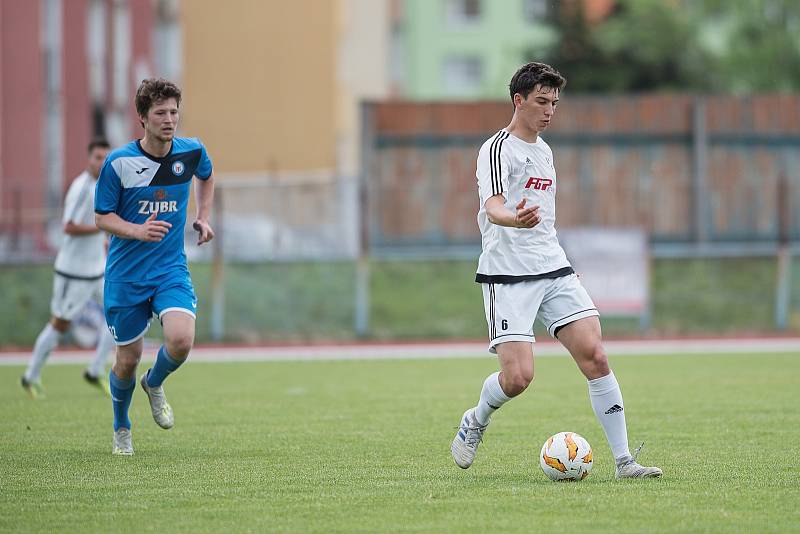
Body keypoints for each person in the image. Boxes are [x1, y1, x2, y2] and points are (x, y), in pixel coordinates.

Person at [450, 62, 662, 479]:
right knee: (518, 377)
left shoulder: (545, 151)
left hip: (553, 268)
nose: (550, 111)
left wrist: (563, 267)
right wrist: (515, 219)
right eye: (542, 102)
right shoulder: (497, 149)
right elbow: (493, 207)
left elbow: (545, 221)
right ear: (519, 100)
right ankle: (475, 419)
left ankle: (623, 462)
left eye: (555, 104)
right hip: (507, 275)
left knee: (596, 356)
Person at [94, 78, 215, 455]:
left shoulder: (191, 152)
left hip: (169, 270)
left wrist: (204, 217)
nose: (170, 119)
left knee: (180, 340)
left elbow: (207, 176)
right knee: (126, 361)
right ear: (142, 118)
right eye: (160, 113)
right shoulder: (119, 163)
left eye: (174, 112)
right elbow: (101, 217)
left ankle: (155, 382)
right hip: (126, 276)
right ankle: (121, 427)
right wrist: (136, 230)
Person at [21, 139, 115, 399]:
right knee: (60, 325)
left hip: (97, 270)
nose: (102, 162)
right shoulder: (82, 187)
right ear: (89, 159)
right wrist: (103, 227)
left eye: (106, 157)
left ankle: (95, 370)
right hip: (72, 273)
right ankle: (30, 375)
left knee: (118, 315)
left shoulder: (103, 186)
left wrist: (106, 238)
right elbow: (69, 226)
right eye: (98, 157)